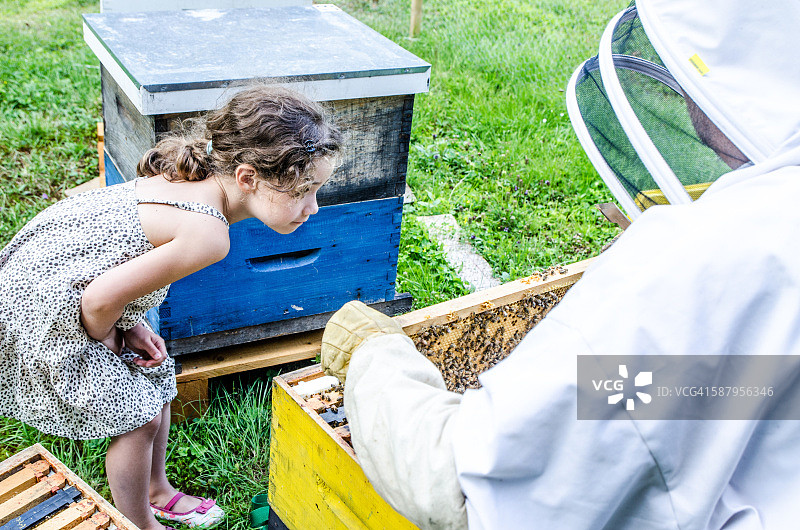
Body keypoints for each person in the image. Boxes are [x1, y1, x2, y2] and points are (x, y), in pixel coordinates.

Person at [320, 0, 800, 528]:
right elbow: (728, 389)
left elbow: (463, 484)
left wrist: (374, 357)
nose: (682, 106)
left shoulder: (699, 265)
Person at [0, 85, 342, 530]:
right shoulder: (209, 235)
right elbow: (98, 299)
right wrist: (115, 338)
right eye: (305, 191)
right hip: (42, 308)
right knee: (138, 418)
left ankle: (156, 490)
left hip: (60, 282)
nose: (313, 207)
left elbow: (117, 267)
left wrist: (132, 322)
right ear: (246, 178)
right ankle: (141, 523)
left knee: (154, 376)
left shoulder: (196, 175)